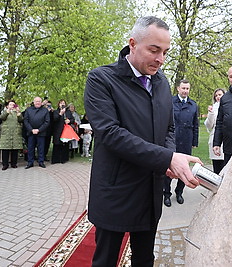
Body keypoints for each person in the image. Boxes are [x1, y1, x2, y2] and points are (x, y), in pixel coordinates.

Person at [84, 16, 201, 267]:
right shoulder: (101, 80)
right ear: (132, 43)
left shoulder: (161, 82)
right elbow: (110, 133)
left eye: (166, 52)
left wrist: (167, 160)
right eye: (154, 50)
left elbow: (168, 128)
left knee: (145, 259)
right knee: (105, 260)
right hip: (116, 190)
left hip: (150, 189)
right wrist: (167, 158)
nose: (161, 59)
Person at [163, 79, 199, 207]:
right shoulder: (170, 102)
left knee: (184, 169)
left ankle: (179, 192)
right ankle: (166, 194)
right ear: (178, 88)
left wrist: (194, 141)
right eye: (183, 88)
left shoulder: (193, 105)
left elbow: (196, 125)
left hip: (186, 141)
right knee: (169, 167)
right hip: (172, 141)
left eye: (187, 89)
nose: (185, 91)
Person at [23, 97, 50, 169]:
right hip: (31, 132)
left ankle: (41, 162)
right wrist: (31, 130)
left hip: (41, 132)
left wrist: (39, 130)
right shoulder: (28, 110)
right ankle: (30, 162)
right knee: (30, 148)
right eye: (36, 101)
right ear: (33, 102)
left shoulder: (45, 110)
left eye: (39, 101)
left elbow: (47, 122)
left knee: (41, 148)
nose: (38, 103)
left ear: (41, 103)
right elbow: (26, 121)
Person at [204, 88, 226, 174]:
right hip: (215, 138)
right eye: (216, 95)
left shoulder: (229, 106)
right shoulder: (213, 108)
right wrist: (211, 113)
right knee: (217, 168)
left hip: (226, 140)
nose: (218, 97)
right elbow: (209, 125)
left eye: (220, 95)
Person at [0, 100, 23, 170]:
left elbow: (21, 120)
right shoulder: (4, 112)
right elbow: (2, 117)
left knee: (15, 149)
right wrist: (8, 111)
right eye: (10, 104)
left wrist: (19, 112)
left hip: (15, 132)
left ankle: (14, 163)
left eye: (13, 105)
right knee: (5, 149)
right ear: (7, 106)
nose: (12, 106)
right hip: (6, 133)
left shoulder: (17, 112)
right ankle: (5, 164)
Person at [51, 99, 74, 164]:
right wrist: (60, 113)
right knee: (57, 144)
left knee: (65, 145)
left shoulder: (68, 112)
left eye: (64, 103)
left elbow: (73, 119)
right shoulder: (56, 112)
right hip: (58, 131)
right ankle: (56, 159)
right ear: (58, 104)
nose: (62, 104)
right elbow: (55, 119)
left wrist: (69, 121)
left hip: (66, 130)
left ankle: (64, 159)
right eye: (61, 103)